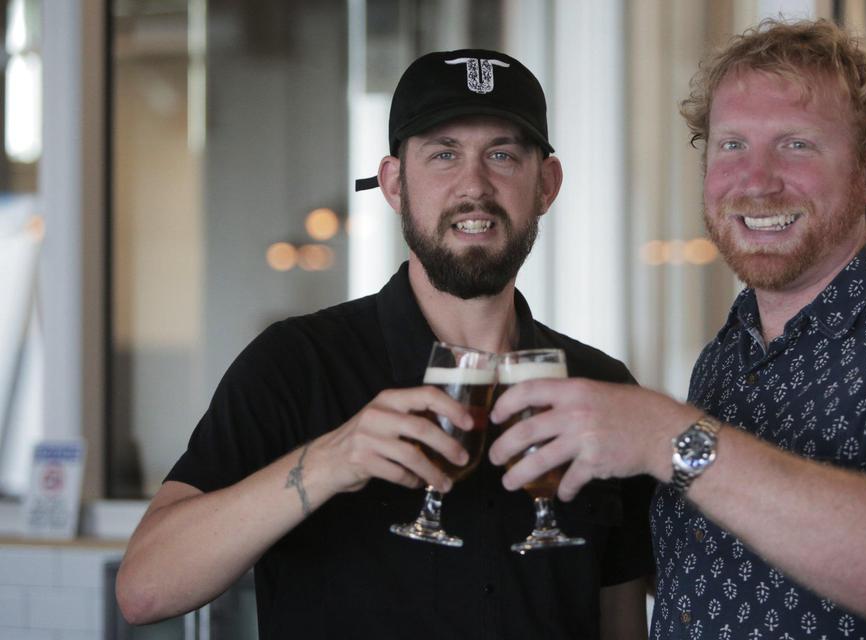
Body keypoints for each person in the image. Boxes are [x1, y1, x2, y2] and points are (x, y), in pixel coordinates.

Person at [489, 18, 866, 639]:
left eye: (797, 144)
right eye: (732, 145)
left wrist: (667, 436)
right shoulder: (723, 358)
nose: (756, 180)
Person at [116, 48, 653, 640]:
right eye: (443, 154)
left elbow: (619, 618)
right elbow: (145, 589)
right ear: (395, 183)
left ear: (546, 184)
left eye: (501, 155)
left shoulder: (602, 389)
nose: (473, 185)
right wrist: (328, 461)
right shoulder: (296, 364)